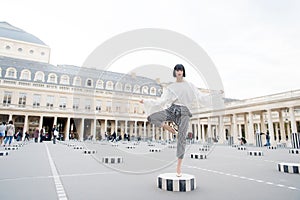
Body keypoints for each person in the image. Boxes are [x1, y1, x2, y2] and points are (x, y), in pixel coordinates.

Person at [140, 64, 223, 177]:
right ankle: (168, 127)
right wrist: (145, 101)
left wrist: (216, 94)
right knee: (152, 117)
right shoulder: (171, 87)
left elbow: (202, 97)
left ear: (183, 72)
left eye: (181, 70)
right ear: (175, 72)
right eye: (177, 70)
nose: (179, 72)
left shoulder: (190, 86)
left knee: (182, 138)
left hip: (184, 111)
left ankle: (178, 166)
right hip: (172, 109)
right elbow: (161, 101)